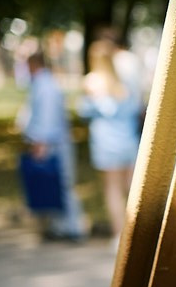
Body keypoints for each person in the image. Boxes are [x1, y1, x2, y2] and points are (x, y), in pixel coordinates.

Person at [18, 42, 88, 241]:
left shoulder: (45, 86)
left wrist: (40, 142)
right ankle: (61, 225)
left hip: (53, 143)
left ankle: (74, 227)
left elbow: (47, 118)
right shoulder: (43, 83)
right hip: (51, 141)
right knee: (54, 184)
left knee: (63, 183)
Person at [79, 39, 143, 236]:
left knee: (113, 190)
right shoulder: (122, 84)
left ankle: (119, 234)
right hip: (127, 142)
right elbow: (134, 110)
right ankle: (138, 232)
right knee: (131, 190)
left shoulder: (91, 82)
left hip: (106, 145)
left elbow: (83, 112)